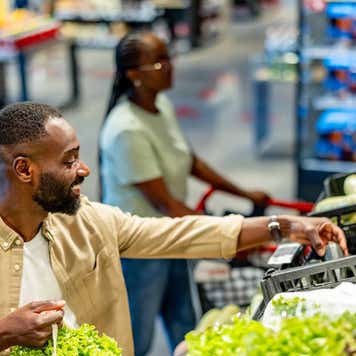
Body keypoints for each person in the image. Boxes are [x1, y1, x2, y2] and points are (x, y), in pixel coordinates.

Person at [0, 102, 347, 356]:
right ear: (24, 169)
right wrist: (6, 332)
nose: (84, 169)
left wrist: (282, 225)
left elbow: (177, 235)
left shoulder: (83, 221)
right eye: (69, 160)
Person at [99, 31, 270, 355]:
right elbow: (167, 204)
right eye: (159, 61)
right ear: (134, 74)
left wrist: (245, 194)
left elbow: (190, 160)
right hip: (140, 249)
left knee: (185, 321)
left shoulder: (159, 104)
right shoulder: (125, 130)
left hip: (172, 235)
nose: (170, 66)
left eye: (169, 56)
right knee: (137, 333)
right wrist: (233, 236)